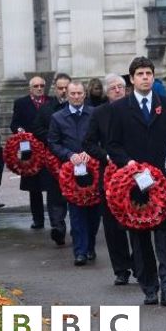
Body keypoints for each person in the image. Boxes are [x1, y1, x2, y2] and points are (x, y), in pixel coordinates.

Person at [107, 57, 166, 307]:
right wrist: (128, 164)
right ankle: (149, 287)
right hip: (134, 185)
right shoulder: (118, 109)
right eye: (140, 74)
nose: (145, 77)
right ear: (132, 79)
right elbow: (113, 145)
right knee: (140, 240)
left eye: (149, 73)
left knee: (165, 237)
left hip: (163, 183)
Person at [83, 73, 136, 285]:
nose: (117, 90)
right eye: (112, 87)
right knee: (113, 225)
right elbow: (88, 142)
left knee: (137, 220)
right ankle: (121, 269)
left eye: (120, 87)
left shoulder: (135, 109)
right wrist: (105, 156)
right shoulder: (99, 113)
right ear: (106, 91)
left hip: (134, 172)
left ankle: (140, 265)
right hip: (110, 175)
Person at [47, 82, 101, 266]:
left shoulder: (95, 114)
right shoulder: (57, 117)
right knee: (76, 214)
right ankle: (80, 251)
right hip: (71, 173)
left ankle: (90, 245)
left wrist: (91, 152)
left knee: (94, 215)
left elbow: (102, 138)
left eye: (79, 93)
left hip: (93, 171)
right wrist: (69, 155)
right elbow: (53, 143)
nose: (76, 96)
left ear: (84, 94)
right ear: (66, 95)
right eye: (73, 93)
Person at [31, 73, 73, 245]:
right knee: (55, 195)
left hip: (76, 157)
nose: (63, 91)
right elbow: (36, 128)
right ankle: (58, 227)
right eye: (60, 88)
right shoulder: (46, 108)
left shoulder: (80, 105)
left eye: (66, 88)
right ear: (55, 88)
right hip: (55, 158)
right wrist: (52, 138)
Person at [10, 76, 49, 227]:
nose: (39, 88)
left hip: (48, 148)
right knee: (34, 188)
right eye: (36, 86)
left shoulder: (50, 101)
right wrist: (20, 131)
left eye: (42, 85)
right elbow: (15, 123)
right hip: (30, 150)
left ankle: (56, 219)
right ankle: (38, 220)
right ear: (30, 88)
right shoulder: (21, 103)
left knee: (53, 185)